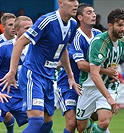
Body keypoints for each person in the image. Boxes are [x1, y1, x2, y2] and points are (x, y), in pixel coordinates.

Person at [0, 0, 81, 133]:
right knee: (36, 121)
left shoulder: (72, 24)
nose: (76, 4)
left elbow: (63, 49)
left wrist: (70, 76)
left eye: (76, 0)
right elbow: (20, 42)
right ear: (60, 2)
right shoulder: (47, 21)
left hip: (48, 77)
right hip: (33, 74)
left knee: (46, 125)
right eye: (71, 0)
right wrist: (12, 71)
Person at [56, 3, 116, 133]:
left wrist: (112, 73)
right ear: (80, 17)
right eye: (89, 13)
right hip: (70, 84)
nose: (93, 15)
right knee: (72, 124)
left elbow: (107, 59)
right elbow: (81, 64)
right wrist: (106, 71)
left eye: (93, 12)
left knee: (99, 117)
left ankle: (91, 127)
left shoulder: (99, 34)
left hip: (89, 84)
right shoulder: (76, 37)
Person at [76, 8, 124, 133]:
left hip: (108, 85)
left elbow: (113, 62)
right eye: (119, 25)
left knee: (104, 122)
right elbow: (94, 73)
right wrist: (109, 98)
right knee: (81, 127)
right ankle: (91, 127)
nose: (122, 29)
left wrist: (113, 73)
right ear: (110, 25)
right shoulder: (99, 43)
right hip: (89, 86)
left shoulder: (122, 41)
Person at [0, 15, 33, 133]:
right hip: (4, 93)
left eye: (32, 28)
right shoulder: (3, 48)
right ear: (17, 30)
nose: (31, 31)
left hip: (23, 95)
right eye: (27, 28)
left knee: (41, 121)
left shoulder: (36, 49)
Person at [0, 12, 16, 133]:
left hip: (16, 87)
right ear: (3, 27)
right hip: (1, 86)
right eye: (10, 25)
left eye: (15, 25)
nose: (13, 28)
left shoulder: (22, 43)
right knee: (7, 115)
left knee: (40, 117)